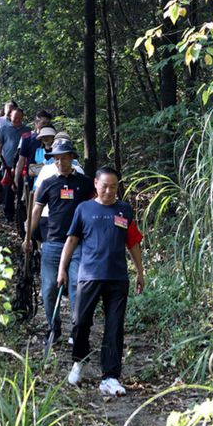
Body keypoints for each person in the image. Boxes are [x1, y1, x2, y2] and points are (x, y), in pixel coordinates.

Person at [57, 167, 144, 396]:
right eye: (104, 185)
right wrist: (62, 269)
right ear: (95, 184)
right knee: (80, 322)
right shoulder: (84, 209)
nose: (109, 190)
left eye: (113, 186)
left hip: (117, 277)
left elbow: (133, 242)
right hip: (89, 276)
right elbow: (72, 240)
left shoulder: (124, 210)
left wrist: (140, 272)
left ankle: (111, 376)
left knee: (114, 327)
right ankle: (79, 360)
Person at [23, 139, 94, 345]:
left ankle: (76, 330)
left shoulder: (84, 182)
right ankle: (53, 328)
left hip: (78, 243)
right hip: (52, 242)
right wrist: (29, 237)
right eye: (57, 158)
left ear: (72, 157)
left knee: (76, 286)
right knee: (48, 289)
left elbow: (96, 204)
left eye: (64, 157)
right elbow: (36, 211)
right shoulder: (48, 183)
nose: (60, 161)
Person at [0, 108, 30, 221]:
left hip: (22, 166)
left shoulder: (27, 131)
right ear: (10, 117)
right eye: (15, 118)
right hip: (7, 164)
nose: (17, 120)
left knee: (21, 190)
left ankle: (22, 215)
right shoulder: (4, 129)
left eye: (20, 118)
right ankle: (8, 215)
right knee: (7, 191)